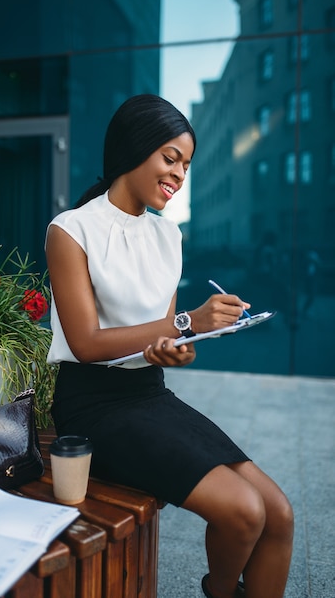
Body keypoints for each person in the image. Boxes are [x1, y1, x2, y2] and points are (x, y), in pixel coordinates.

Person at [45, 94, 293, 598]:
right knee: (245, 511)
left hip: (151, 395)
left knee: (279, 515)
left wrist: (181, 344)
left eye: (186, 164)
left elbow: (168, 339)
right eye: (170, 157)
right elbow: (87, 344)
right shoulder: (70, 230)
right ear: (135, 149)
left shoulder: (168, 236)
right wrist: (186, 322)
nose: (179, 174)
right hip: (92, 406)